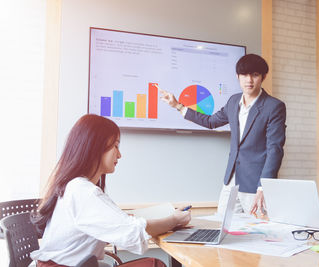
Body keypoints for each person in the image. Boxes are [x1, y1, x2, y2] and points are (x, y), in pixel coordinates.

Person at [31, 114, 191, 267]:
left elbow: (114, 224)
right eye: (115, 146)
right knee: (154, 264)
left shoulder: (75, 187)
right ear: (95, 147)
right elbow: (133, 231)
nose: (119, 154)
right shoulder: (83, 192)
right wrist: (174, 220)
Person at [160, 54, 286, 215]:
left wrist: (264, 186)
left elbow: (274, 149)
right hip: (231, 181)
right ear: (238, 76)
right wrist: (178, 105)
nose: (249, 80)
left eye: (255, 75)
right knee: (223, 227)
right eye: (244, 75)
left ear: (263, 77)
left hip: (255, 184)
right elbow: (211, 121)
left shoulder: (274, 107)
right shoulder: (233, 102)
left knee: (259, 231)